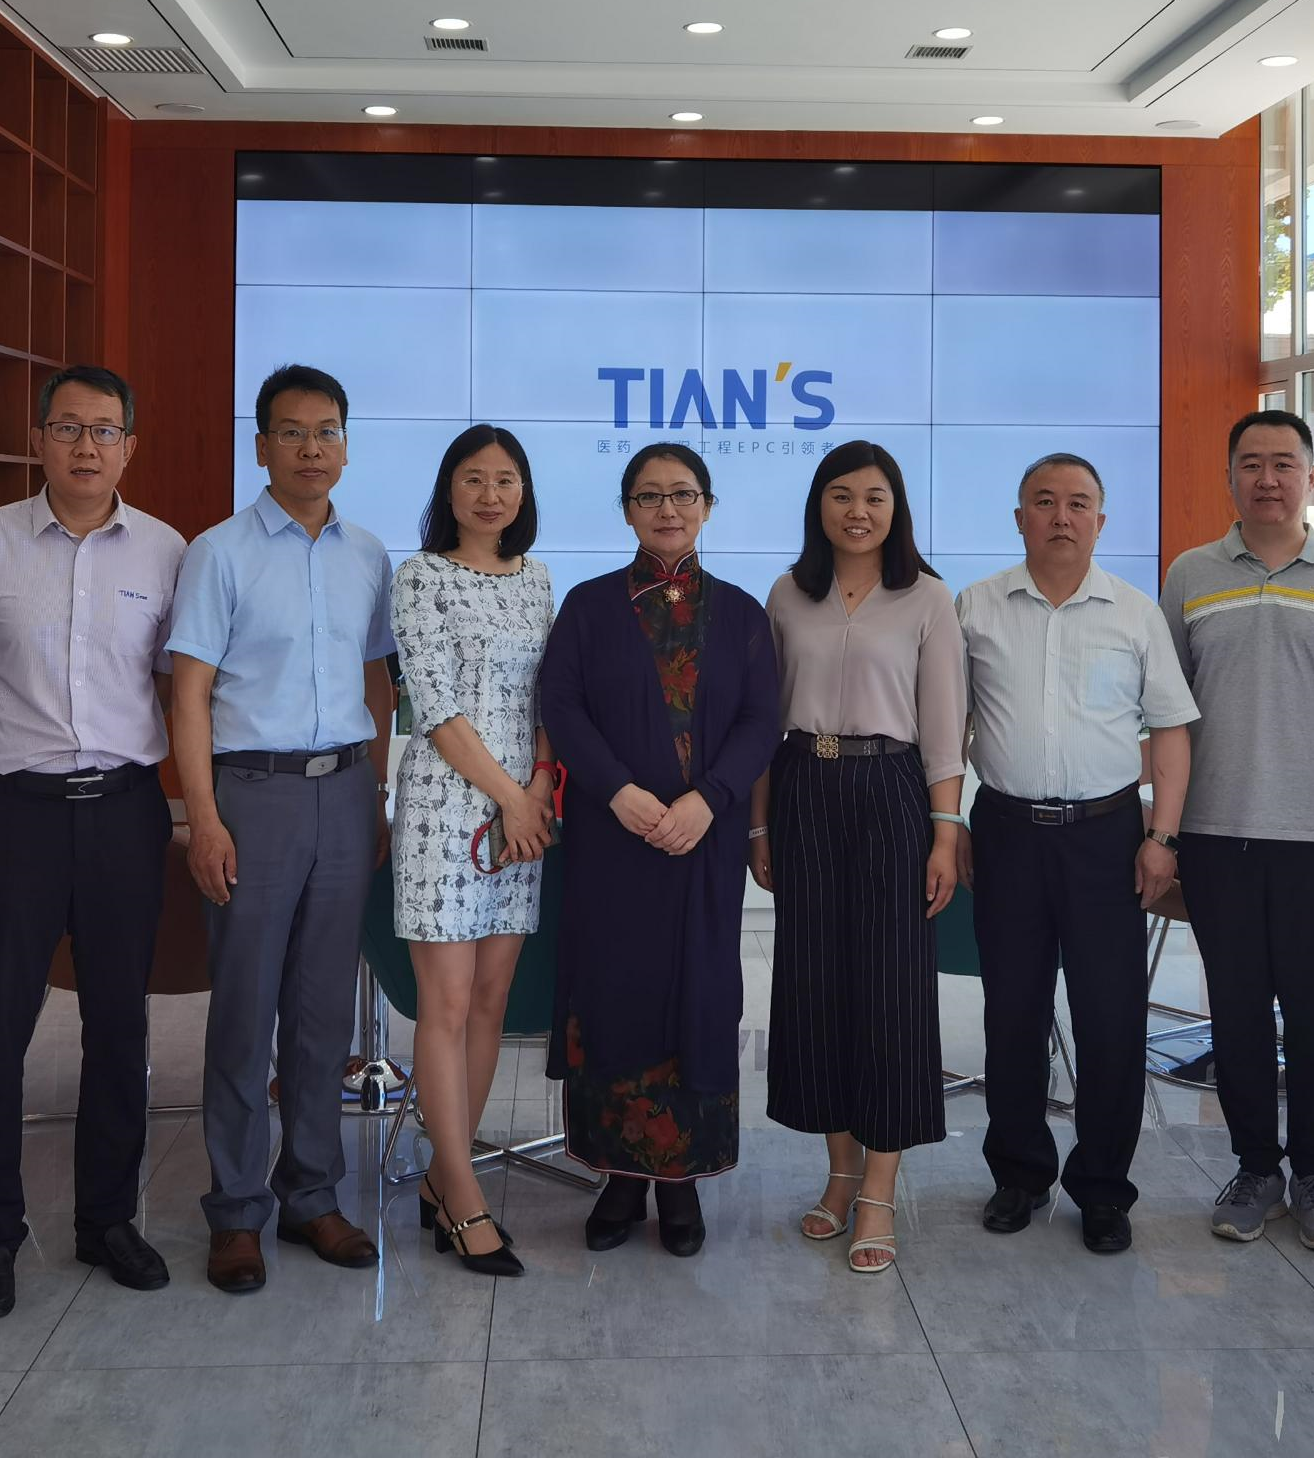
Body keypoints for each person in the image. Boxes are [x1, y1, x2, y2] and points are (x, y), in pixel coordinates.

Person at [0, 365, 186, 1319]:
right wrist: (8, 755)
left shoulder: (166, 550)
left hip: (124, 811)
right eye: (69, 427)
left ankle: (107, 1220)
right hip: (12, 816)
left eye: (105, 430)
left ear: (130, 446)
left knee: (119, 1024)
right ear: (38, 438)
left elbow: (172, 683)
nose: (87, 446)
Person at [168, 363, 397, 1294]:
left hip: (344, 791)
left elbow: (377, 681)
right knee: (244, 1009)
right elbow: (188, 693)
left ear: (346, 445)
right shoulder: (218, 552)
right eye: (293, 432)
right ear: (261, 446)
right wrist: (203, 817)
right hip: (251, 796)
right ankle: (235, 1211)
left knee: (319, 1013)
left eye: (328, 431)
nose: (312, 448)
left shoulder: (367, 554)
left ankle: (311, 1195)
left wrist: (377, 794)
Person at [538, 443, 778, 1256]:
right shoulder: (588, 606)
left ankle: (681, 1183)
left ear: (707, 506)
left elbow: (761, 720)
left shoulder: (743, 613)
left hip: (702, 842)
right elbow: (561, 705)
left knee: (698, 999)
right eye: (649, 496)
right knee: (614, 995)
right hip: (612, 842)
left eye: (682, 494)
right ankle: (619, 1178)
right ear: (627, 510)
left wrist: (710, 800)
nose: (667, 509)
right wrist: (616, 791)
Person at [956, 451, 1197, 1256]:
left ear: (1101, 519)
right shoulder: (975, 608)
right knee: (1012, 1012)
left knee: (1111, 1017)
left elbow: (1172, 731)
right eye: (1044, 501)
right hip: (1006, 831)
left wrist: (1162, 836)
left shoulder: (1134, 612)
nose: (1061, 516)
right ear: (1018, 517)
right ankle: (1019, 1174)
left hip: (1107, 837)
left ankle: (1102, 1188)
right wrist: (949, 824)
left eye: (1078, 503)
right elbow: (947, 729)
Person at [1160, 409, 1314, 1251]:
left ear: (1311, 477)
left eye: (1284, 463)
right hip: (1216, 830)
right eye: (1251, 463)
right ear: (1230, 478)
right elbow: (1169, 712)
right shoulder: (1190, 574)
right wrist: (1166, 826)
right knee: (1237, 1012)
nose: (1267, 478)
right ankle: (1256, 1166)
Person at [754, 440, 966, 1274]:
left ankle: (879, 1188)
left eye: (875, 497)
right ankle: (839, 1174)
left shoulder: (927, 597)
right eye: (841, 495)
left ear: (896, 508)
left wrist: (945, 831)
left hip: (892, 791)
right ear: (819, 505)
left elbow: (944, 726)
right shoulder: (788, 593)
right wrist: (759, 828)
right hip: (804, 786)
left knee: (890, 991)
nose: (857, 511)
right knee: (815, 987)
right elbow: (764, 723)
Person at [390, 424, 558, 1277]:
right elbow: (437, 709)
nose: (490, 495)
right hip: (444, 807)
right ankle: (462, 1196)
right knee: (446, 1005)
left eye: (505, 480)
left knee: (492, 999)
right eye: (473, 478)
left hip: (522, 814)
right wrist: (512, 798)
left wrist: (538, 789)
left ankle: (442, 1178)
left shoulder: (538, 580)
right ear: (448, 490)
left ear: (523, 492)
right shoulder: (420, 576)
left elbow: (548, 699)